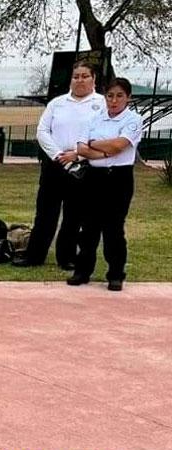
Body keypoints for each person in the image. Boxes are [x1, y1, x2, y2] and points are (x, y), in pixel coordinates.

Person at [13, 61, 105, 270]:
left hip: (82, 165)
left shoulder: (100, 104)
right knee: (45, 213)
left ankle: (67, 257)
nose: (79, 80)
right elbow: (42, 131)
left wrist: (78, 155)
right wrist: (58, 155)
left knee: (74, 216)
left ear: (93, 79)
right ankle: (34, 255)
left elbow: (101, 135)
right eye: (76, 76)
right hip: (54, 165)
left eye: (84, 76)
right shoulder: (57, 103)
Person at [69, 78, 142, 292]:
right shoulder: (94, 119)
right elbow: (81, 148)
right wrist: (103, 149)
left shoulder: (133, 120)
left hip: (119, 177)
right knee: (89, 227)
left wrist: (96, 145)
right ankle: (82, 271)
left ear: (128, 98)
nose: (114, 100)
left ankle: (116, 274)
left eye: (119, 96)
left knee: (114, 228)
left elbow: (120, 146)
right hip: (94, 177)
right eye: (110, 96)